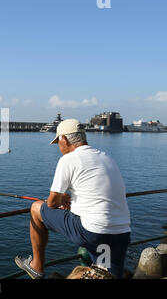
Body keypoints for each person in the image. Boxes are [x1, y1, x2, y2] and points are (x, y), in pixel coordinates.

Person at [15, 119, 131, 279]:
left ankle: (36, 266)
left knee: (36, 208)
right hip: (121, 232)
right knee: (108, 275)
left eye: (58, 142)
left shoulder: (68, 160)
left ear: (64, 139)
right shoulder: (106, 157)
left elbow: (52, 202)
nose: (59, 147)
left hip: (93, 232)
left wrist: (62, 199)